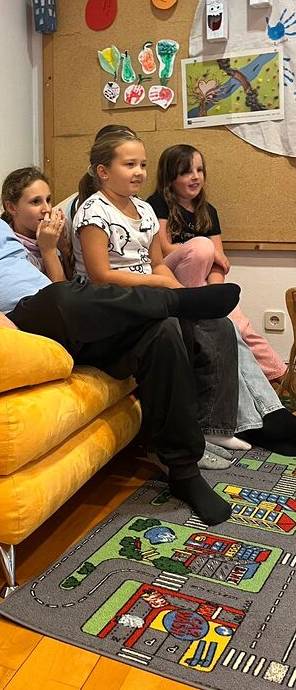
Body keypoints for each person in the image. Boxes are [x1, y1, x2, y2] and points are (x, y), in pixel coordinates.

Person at [0, 133, 251, 527]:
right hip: (14, 322)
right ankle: (174, 300)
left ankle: (183, 471)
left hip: (60, 317)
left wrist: (50, 252)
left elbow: (55, 285)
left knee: (160, 333)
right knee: (63, 297)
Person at [72, 128, 296, 459]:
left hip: (150, 293)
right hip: (110, 302)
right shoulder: (93, 212)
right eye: (129, 165)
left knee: (223, 324)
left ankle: (237, 421)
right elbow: (100, 276)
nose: (139, 172)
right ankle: (262, 422)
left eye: (142, 164)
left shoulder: (144, 211)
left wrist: (179, 293)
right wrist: (164, 288)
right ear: (103, 171)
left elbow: (157, 264)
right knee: (189, 325)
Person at [148, 144, 286, 383]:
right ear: (169, 178)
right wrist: (209, 251)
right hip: (169, 278)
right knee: (202, 246)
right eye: (186, 172)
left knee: (238, 323)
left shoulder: (207, 211)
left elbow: (219, 264)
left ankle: (281, 377)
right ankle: (196, 306)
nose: (195, 177)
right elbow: (163, 250)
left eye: (199, 170)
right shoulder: (157, 204)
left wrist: (214, 293)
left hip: (200, 281)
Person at [0, 166, 70, 280]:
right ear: (12, 208)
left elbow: (74, 282)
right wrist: (48, 249)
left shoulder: (49, 236)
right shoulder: (11, 250)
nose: (47, 209)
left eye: (48, 200)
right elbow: (61, 290)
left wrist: (63, 247)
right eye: (36, 201)